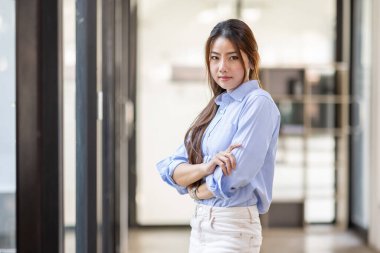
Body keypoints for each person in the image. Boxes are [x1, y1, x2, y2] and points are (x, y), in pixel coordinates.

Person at [156, 19, 281, 253]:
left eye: (232, 57)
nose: (222, 66)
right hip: (201, 226)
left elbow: (235, 175)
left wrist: (195, 190)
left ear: (251, 59)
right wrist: (205, 168)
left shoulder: (258, 103)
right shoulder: (218, 107)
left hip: (233, 228)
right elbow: (170, 167)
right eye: (215, 58)